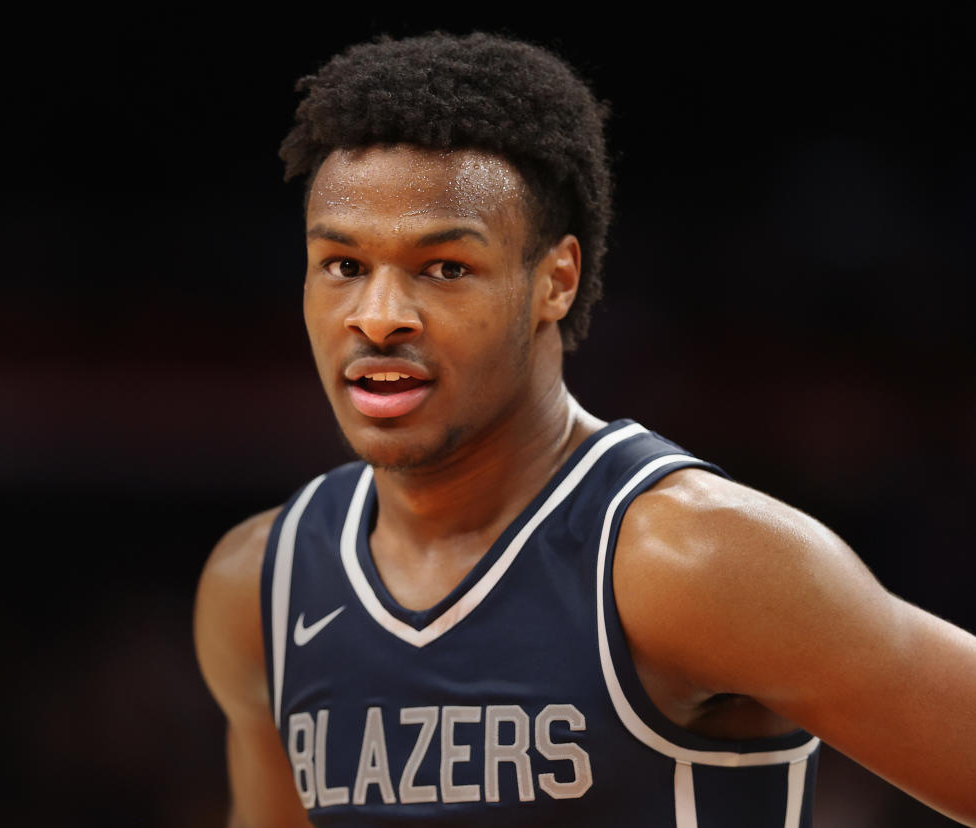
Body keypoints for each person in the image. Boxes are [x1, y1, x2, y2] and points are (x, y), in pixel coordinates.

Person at [193, 31, 976, 827]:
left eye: (446, 268)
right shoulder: (259, 586)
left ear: (555, 282)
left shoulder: (694, 558)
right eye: (343, 266)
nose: (380, 316)